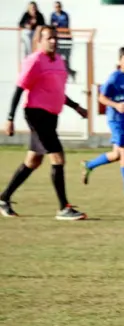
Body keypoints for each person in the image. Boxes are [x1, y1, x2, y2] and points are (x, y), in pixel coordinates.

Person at [0, 26, 87, 220]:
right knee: (58, 158)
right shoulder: (34, 61)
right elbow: (19, 89)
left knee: (33, 161)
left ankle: (4, 198)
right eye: (49, 38)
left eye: (55, 38)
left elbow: (56, 91)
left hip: (51, 116)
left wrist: (76, 107)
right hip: (36, 115)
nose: (54, 41)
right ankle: (63, 208)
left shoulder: (59, 61)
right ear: (39, 40)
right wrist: (10, 118)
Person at [81, 47, 124, 199]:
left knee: (117, 154)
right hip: (115, 118)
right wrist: (116, 105)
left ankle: (89, 165)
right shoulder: (114, 77)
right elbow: (101, 98)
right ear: (120, 60)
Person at [50, 1, 76, 81]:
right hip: (58, 39)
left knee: (66, 59)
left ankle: (68, 73)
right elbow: (51, 25)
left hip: (65, 39)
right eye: (56, 7)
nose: (57, 8)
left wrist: (57, 25)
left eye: (58, 6)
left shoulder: (65, 15)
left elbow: (65, 25)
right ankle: (65, 73)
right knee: (58, 58)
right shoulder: (53, 15)